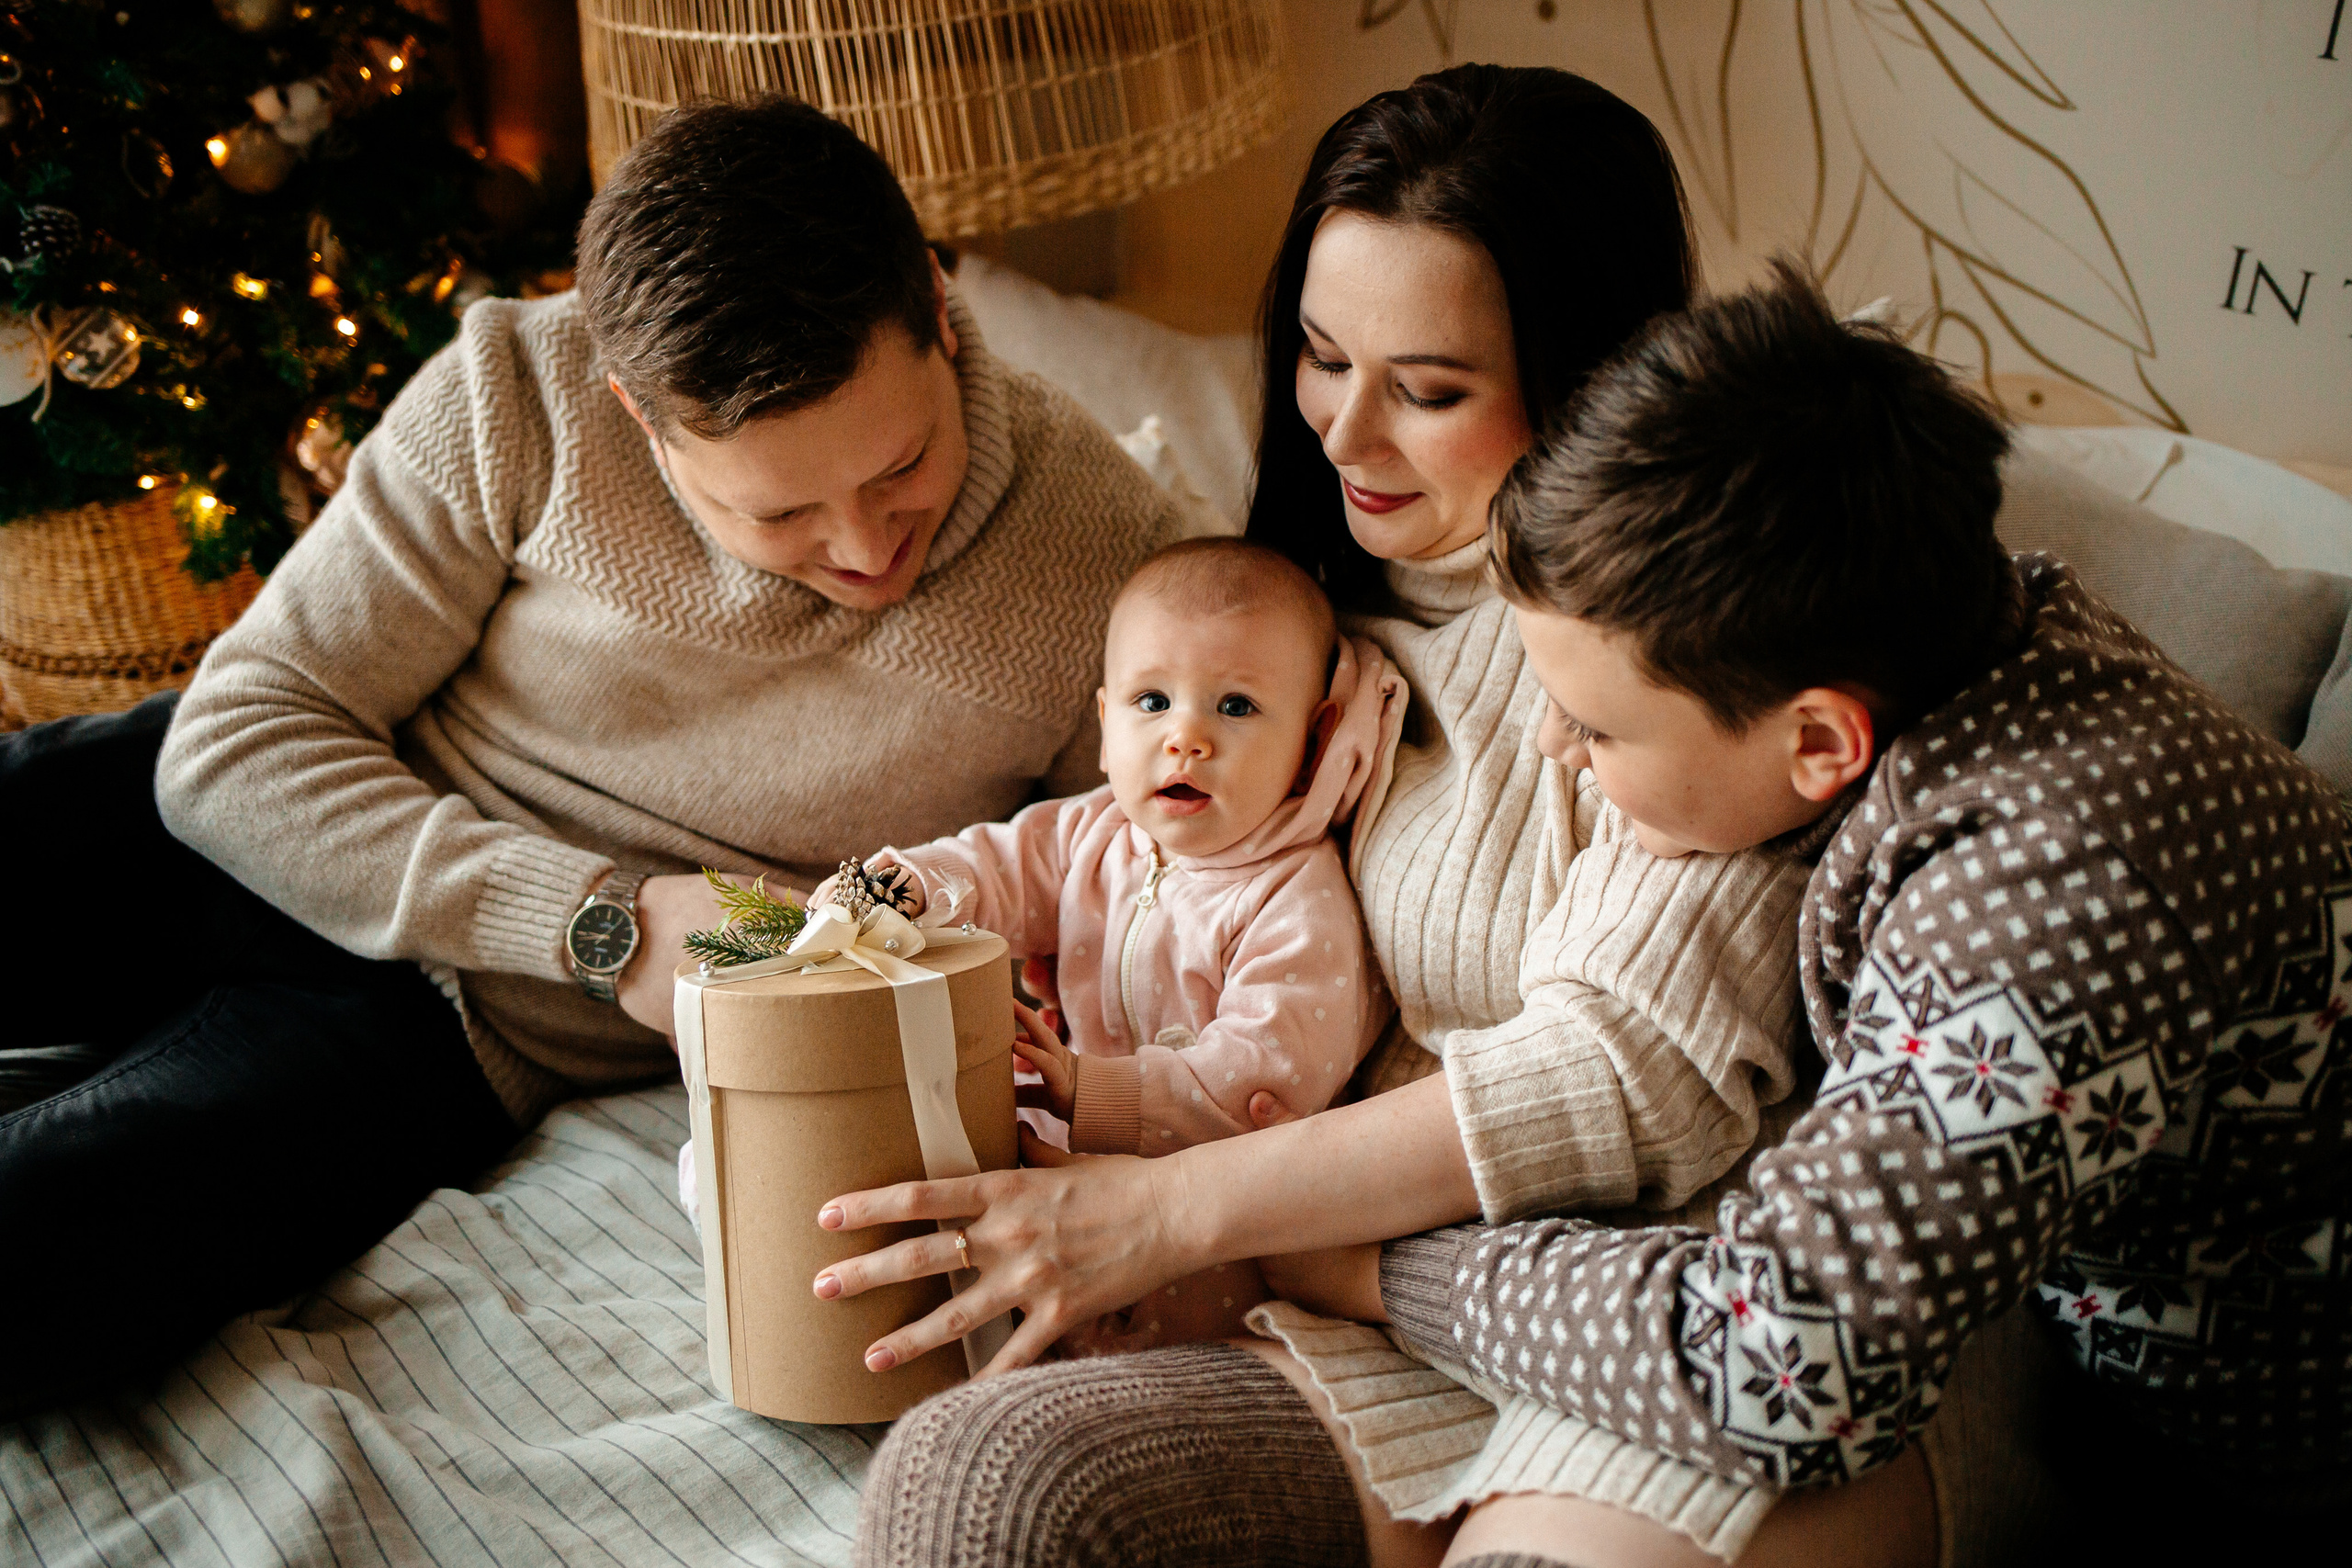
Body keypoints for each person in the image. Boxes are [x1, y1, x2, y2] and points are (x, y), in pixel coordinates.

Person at [0, 92, 1177, 1419]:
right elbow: (233, 741)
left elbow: (1160, 888)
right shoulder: (521, 388)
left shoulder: (1110, 557)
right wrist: (601, 922)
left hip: (445, 1021)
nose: (863, 547)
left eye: (902, 464)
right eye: (780, 510)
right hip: (295, 800)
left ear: (940, 314)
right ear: (636, 411)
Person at [825, 65, 1837, 1568]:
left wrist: (1176, 1205)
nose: (1345, 435)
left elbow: (1631, 1076)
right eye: (1316, 355)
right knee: (984, 1495)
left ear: (1586, 370)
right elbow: (1073, 850)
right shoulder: (1271, 620)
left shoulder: (1671, 641)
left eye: (1429, 391)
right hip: (1323, 1306)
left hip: (1624, 1318)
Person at [1310, 261, 2352, 1562]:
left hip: (2238, 1462)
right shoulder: (1977, 631)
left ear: (1820, 741)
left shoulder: (2055, 883)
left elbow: (1780, 1359)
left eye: (1596, 722)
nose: (1554, 743)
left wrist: (1370, 1268)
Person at [817, 536, 1404, 1351]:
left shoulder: (1295, 895)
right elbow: (994, 868)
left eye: (1235, 706)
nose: (1186, 737)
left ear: (1312, 738)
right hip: (1067, 1177)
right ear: (1104, 725)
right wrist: (904, 888)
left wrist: (1095, 1090)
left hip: (1218, 1232)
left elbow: (1264, 1077)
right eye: (1152, 701)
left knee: (1157, 1338)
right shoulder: (1093, 833)